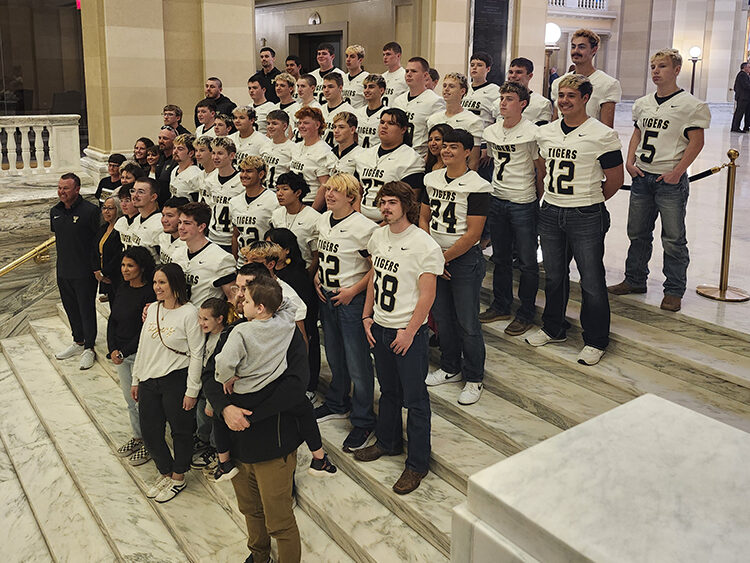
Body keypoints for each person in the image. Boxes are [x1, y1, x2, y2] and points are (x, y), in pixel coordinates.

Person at [201, 265, 309, 563]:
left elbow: (296, 386)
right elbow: (211, 374)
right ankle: (258, 555)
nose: (237, 295)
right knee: (249, 509)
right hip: (238, 444)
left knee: (280, 521)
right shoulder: (237, 332)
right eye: (237, 288)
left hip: (273, 441)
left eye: (245, 288)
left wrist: (247, 414)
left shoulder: (287, 334)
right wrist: (225, 409)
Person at [356, 180, 444, 494]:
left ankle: (417, 464)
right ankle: (388, 442)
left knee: (416, 400)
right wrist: (367, 316)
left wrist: (409, 332)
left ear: (406, 206)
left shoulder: (424, 244)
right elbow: (374, 280)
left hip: (408, 332)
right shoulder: (378, 236)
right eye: (382, 202)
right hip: (379, 326)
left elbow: (427, 296)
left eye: (392, 202)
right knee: (389, 392)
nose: (385, 208)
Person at [529, 74, 624, 366]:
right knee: (555, 275)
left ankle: (595, 339)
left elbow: (616, 180)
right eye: (561, 95)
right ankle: (553, 327)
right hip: (551, 210)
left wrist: (586, 202)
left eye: (571, 95)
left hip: (586, 213)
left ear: (585, 98)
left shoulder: (602, 133)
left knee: (591, 279)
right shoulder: (547, 132)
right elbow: (543, 171)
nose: (565, 101)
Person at [608, 49, 710, 312]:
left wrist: (678, 171)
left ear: (676, 70)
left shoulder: (691, 105)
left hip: (670, 179)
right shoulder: (643, 103)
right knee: (637, 233)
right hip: (642, 176)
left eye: (662, 66)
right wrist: (629, 161)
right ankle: (634, 279)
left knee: (673, 237)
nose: (655, 71)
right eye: (653, 66)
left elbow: (697, 142)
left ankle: (674, 289)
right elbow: (637, 134)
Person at [214, 276, 336, 480]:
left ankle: (223, 463)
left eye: (246, 300)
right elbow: (287, 303)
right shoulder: (285, 323)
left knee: (217, 411)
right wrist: (270, 291)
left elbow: (224, 362)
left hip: (246, 392)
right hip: (272, 388)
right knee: (304, 408)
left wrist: (225, 378)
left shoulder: (240, 331)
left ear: (260, 308)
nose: (241, 301)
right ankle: (319, 459)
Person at [420, 129, 491, 405]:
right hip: (436, 255)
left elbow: (473, 233)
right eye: (444, 145)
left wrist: (443, 258)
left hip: (463, 259)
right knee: (443, 317)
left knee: (467, 321)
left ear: (467, 152)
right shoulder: (431, 178)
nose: (446, 150)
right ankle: (450, 366)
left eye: (453, 147)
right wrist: (433, 254)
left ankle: (474, 377)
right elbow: (423, 217)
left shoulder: (478, 185)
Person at [313, 173, 378, 452]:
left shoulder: (364, 227)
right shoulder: (323, 220)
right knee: (336, 355)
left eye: (336, 192)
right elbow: (325, 255)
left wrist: (354, 290)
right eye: (328, 190)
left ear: (351, 197)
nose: (329, 195)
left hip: (351, 300)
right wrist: (317, 275)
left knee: (357, 362)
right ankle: (338, 402)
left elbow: (377, 267)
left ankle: (364, 420)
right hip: (327, 295)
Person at [131, 263, 204, 503]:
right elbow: (143, 345)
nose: (157, 287)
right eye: (154, 282)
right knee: (150, 431)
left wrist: (192, 390)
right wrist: (136, 378)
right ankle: (165, 471)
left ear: (175, 284)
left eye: (162, 282)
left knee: (181, 431)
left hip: (176, 379)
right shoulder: (152, 309)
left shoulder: (189, 313)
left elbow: (197, 353)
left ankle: (178, 477)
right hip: (149, 379)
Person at [479, 82, 545, 335]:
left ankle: (526, 312)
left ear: (523, 104)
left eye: (509, 98)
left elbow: (541, 169)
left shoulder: (532, 132)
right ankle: (501, 304)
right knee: (501, 257)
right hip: (498, 198)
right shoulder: (492, 131)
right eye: (501, 98)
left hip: (523, 201)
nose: (503, 103)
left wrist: (536, 201)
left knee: (527, 261)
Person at [107, 246, 156, 467]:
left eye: (130, 266)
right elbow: (113, 319)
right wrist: (111, 349)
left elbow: (144, 330)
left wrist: (123, 351)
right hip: (120, 354)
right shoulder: (122, 287)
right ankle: (138, 437)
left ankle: (150, 444)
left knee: (142, 403)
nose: (125, 270)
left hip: (138, 354)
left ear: (141, 268)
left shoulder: (149, 293)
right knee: (129, 401)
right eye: (123, 265)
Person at [52, 174, 102, 370]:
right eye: (59, 188)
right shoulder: (54, 211)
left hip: (85, 272)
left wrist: (96, 267)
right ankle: (78, 341)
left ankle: (89, 347)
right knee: (70, 308)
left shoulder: (90, 211)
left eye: (66, 188)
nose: (61, 192)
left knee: (86, 309)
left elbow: (96, 241)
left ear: (77, 189)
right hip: (63, 270)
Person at [265, 227, 321, 399]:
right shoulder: (270, 272)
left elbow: (304, 309)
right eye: (267, 246)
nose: (269, 250)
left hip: (300, 325)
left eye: (273, 245)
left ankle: (309, 387)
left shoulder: (297, 275)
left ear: (287, 249)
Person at [354, 107, 424, 222]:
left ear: (403, 129)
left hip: (391, 223)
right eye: (382, 122)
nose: (384, 126)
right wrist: (358, 219)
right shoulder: (364, 155)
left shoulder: (411, 159)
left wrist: (380, 228)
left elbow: (408, 203)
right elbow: (356, 192)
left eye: (391, 123)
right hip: (361, 220)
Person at [550, 29, 621, 127]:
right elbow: (555, 120)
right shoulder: (558, 82)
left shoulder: (607, 84)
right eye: (573, 47)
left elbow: (606, 128)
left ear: (594, 49)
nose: (576, 51)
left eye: (581, 47)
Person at [191, 297, 229, 472]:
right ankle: (203, 440)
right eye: (200, 318)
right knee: (201, 415)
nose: (201, 323)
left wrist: (211, 402)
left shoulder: (225, 339)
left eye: (206, 319)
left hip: (215, 390)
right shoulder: (205, 336)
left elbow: (220, 372)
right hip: (203, 386)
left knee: (213, 418)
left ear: (220, 319)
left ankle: (215, 449)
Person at [173, 202, 236, 306]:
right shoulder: (177, 252)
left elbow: (233, 299)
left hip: (203, 319)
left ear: (201, 227)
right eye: (180, 222)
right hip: (179, 316)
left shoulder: (221, 259)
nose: (181, 227)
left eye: (187, 223)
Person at [426, 72, 483, 170]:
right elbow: (430, 154)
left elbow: (473, 161)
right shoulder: (433, 119)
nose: (446, 89)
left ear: (462, 91)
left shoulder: (473, 121)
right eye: (444, 86)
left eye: (451, 86)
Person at [392, 57, 446, 157]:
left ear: (425, 75)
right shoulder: (398, 101)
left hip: (419, 157)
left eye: (414, 71)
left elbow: (438, 135)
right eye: (407, 71)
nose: (408, 74)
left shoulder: (435, 101)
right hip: (396, 155)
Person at [230, 155, 278, 264]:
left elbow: (276, 240)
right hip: (242, 263)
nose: (244, 175)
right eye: (242, 171)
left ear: (261, 174)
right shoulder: (234, 202)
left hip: (263, 265)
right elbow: (235, 235)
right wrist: (235, 261)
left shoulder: (273, 201)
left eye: (249, 171)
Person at [270, 172, 320, 276]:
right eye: (277, 189)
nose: (279, 193)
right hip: (279, 271)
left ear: (298, 193)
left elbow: (316, 256)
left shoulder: (314, 218)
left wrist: (307, 278)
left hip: (303, 272)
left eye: (285, 189)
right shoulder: (276, 214)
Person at [290, 106, 336, 211]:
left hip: (309, 202)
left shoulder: (324, 151)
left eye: (306, 123)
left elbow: (324, 185)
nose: (301, 126)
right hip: (293, 201)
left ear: (317, 125)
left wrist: (312, 212)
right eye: (299, 123)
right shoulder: (296, 147)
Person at [205, 137, 243, 252]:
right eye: (213, 153)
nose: (215, 157)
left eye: (220, 153)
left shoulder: (241, 181)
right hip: (213, 236)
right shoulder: (210, 179)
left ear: (231, 156)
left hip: (231, 238)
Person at [506, 57, 553, 126]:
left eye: (519, 72)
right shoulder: (498, 102)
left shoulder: (542, 104)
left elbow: (542, 132)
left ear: (530, 76)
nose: (513, 76)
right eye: (511, 72)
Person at [95, 196, 123, 303]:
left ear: (118, 210)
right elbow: (95, 250)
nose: (106, 211)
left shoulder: (120, 229)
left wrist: (104, 273)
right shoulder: (103, 228)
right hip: (103, 276)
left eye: (110, 208)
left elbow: (117, 255)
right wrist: (97, 270)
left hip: (114, 276)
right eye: (104, 208)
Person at [462, 52, 501, 129]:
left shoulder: (495, 91)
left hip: (482, 135)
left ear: (488, 69)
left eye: (479, 65)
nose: (474, 68)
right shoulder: (463, 88)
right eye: (472, 65)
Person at [129, 177, 163, 261]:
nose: (135, 195)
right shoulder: (137, 219)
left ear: (153, 197)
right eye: (133, 191)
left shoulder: (160, 224)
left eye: (141, 192)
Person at [261, 110, 295, 190]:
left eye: (274, 123)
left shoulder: (292, 148)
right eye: (268, 123)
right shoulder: (264, 145)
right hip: (263, 191)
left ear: (284, 126)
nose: (270, 126)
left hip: (280, 192)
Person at [320, 73, 357, 147]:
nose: (326, 90)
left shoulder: (349, 111)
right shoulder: (320, 110)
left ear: (340, 88)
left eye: (330, 87)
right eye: (324, 87)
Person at [357, 74, 387, 149]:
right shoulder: (358, 113)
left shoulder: (387, 114)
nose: (366, 90)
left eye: (371, 87)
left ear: (381, 90)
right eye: (365, 87)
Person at [169, 134, 202, 201]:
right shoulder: (175, 170)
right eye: (174, 148)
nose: (175, 152)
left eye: (180, 149)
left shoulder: (195, 175)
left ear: (191, 153)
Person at [158, 196, 189, 265]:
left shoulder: (190, 245)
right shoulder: (163, 236)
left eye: (170, 216)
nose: (164, 220)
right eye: (163, 215)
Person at [270, 72, 301, 137]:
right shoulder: (273, 108)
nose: (278, 88)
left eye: (282, 85)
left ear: (291, 89)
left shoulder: (298, 109)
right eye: (277, 85)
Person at [155, 126, 178, 206]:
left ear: (174, 141)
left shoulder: (176, 161)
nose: (161, 141)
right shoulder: (160, 158)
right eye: (159, 138)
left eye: (165, 138)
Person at [381, 41, 408, 106]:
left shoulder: (405, 76)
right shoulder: (382, 77)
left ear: (398, 55)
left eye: (388, 54)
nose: (385, 57)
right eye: (383, 55)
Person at [342, 44, 369, 109]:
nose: (348, 59)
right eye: (347, 56)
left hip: (358, 115)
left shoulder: (366, 78)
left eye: (352, 57)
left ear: (360, 60)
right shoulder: (343, 77)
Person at [114, 183, 139, 249]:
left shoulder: (143, 223)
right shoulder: (120, 221)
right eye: (121, 200)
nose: (123, 204)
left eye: (127, 200)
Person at [194, 136, 216, 204]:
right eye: (196, 150)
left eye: (202, 150)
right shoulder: (200, 175)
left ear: (212, 152)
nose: (197, 154)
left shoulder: (218, 175)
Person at [731, 62, 750, 133]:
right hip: (743, 98)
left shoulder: (745, 75)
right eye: (748, 67)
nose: (749, 69)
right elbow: (745, 86)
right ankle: (735, 128)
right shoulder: (742, 75)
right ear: (744, 68)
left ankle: (746, 127)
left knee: (746, 113)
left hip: (745, 97)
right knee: (739, 113)